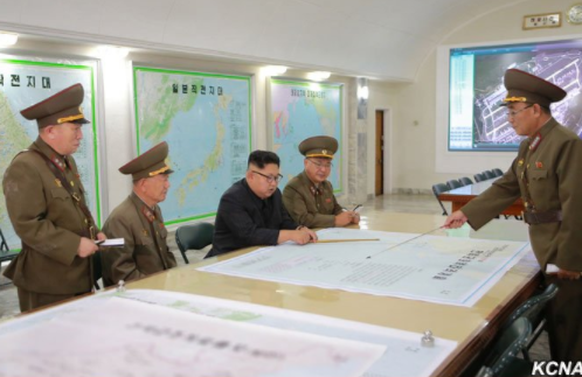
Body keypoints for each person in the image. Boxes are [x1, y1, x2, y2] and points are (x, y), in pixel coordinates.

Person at [444, 68, 582, 361]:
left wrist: (570, 259)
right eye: (508, 112)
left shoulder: (566, 143)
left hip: (563, 250)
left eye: (514, 111)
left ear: (535, 109)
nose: (509, 118)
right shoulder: (530, 145)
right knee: (558, 323)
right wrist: (466, 213)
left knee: (568, 327)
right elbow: (508, 186)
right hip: (545, 245)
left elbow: (577, 205)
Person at [2, 83, 106, 312]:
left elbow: (74, 207)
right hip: (48, 282)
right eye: (74, 128)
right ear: (50, 131)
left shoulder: (65, 161)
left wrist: (94, 231)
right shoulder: (25, 166)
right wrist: (75, 244)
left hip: (77, 274)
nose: (80, 135)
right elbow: (28, 225)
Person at [206, 150, 317, 258]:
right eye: (268, 178)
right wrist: (290, 235)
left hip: (261, 253)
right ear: (250, 176)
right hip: (229, 258)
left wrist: (299, 228)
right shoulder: (232, 199)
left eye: (276, 177)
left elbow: (284, 221)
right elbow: (249, 235)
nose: (273, 183)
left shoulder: (275, 194)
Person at [101, 142, 177, 287]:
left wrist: (174, 279)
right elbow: (122, 273)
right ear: (143, 184)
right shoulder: (121, 219)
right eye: (164, 180)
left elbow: (166, 255)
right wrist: (156, 289)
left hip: (159, 289)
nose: (168, 185)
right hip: (137, 295)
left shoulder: (154, 209)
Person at [283, 135, 359, 227]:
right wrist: (335, 220)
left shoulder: (326, 185)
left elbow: (335, 208)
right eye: (318, 164)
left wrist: (348, 215)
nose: (323, 170)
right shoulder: (293, 187)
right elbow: (302, 219)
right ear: (306, 163)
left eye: (327, 165)